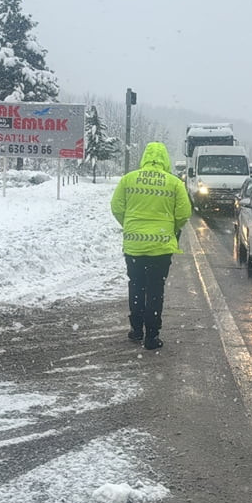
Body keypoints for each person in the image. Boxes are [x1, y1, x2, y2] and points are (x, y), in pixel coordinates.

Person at [110, 142, 191, 350]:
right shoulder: (174, 183)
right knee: (155, 290)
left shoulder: (129, 179)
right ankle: (152, 337)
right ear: (165, 159)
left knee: (136, 286)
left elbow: (117, 207)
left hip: (134, 246)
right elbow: (184, 213)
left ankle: (136, 330)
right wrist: (171, 228)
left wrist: (129, 225)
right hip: (161, 248)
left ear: (144, 157)